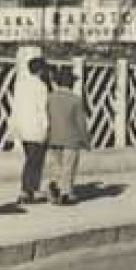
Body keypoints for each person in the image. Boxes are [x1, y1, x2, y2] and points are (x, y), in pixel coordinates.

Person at [9, 51, 50, 205]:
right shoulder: (41, 86)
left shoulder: (21, 85)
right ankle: (27, 190)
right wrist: (46, 128)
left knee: (30, 159)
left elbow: (16, 107)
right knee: (35, 160)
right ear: (40, 70)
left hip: (22, 127)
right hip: (36, 128)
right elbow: (43, 109)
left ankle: (30, 190)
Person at [45, 66, 89, 205]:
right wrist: (86, 140)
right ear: (71, 83)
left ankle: (56, 185)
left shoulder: (50, 97)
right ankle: (65, 193)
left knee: (57, 166)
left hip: (54, 137)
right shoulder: (75, 99)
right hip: (71, 138)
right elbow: (81, 123)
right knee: (68, 167)